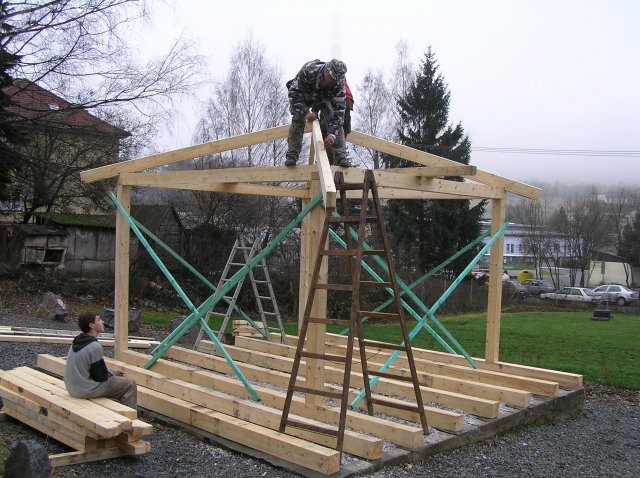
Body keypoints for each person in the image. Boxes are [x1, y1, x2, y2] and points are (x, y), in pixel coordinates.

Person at [285, 58, 350, 167]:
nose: (334, 82)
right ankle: (292, 155)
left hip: (323, 99)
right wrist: (306, 112)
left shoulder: (338, 84)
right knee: (298, 117)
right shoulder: (309, 71)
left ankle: (341, 156)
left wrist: (332, 134)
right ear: (326, 71)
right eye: (332, 79)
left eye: (337, 80)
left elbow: (339, 111)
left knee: (331, 117)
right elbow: (294, 93)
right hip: (305, 95)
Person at [64, 312, 137, 408]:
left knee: (116, 379)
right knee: (129, 384)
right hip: (85, 390)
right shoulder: (94, 346)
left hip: (72, 388)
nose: (102, 321)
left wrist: (110, 373)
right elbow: (100, 377)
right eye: (98, 320)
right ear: (92, 325)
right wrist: (112, 374)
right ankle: (128, 415)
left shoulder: (77, 341)